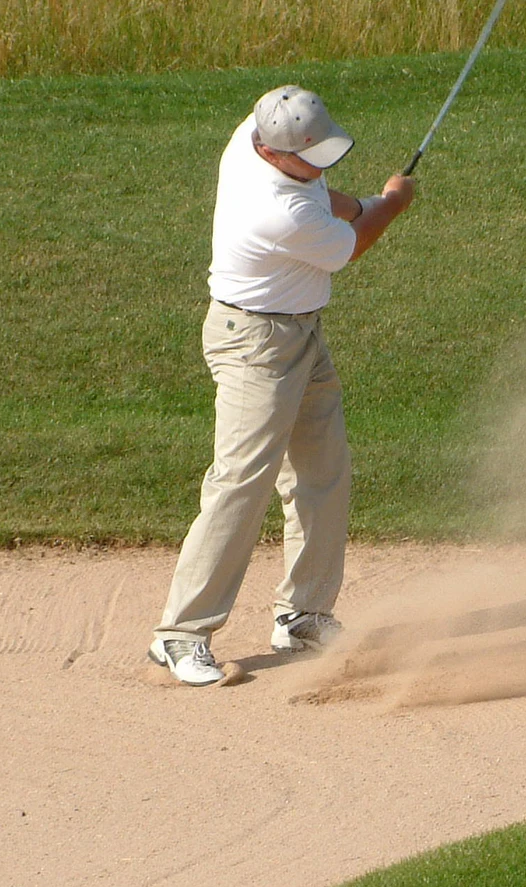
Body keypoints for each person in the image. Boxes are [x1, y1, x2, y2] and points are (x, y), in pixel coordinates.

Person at [150, 85, 415, 686]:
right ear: (273, 154)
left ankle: (303, 615)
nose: (318, 165)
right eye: (308, 156)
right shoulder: (278, 210)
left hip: (301, 335)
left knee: (324, 472)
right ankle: (180, 634)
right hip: (255, 347)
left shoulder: (256, 132)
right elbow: (355, 245)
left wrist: (358, 200)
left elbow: (326, 194)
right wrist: (393, 201)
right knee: (240, 484)